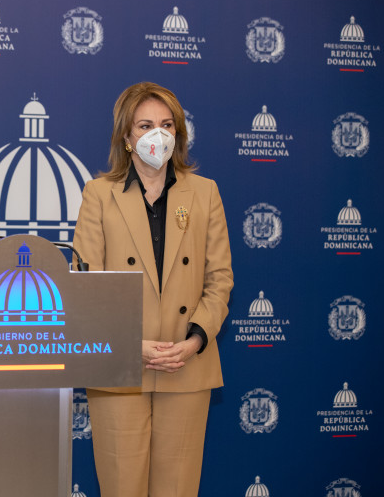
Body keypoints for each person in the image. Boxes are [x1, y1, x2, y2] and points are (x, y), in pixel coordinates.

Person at [73, 82, 233, 497]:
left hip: (186, 363)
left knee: (177, 488)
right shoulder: (98, 194)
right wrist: (130, 344)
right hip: (119, 365)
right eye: (145, 125)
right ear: (126, 137)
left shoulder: (205, 192)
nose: (157, 134)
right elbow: (86, 287)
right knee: (121, 487)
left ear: (179, 133)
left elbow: (219, 279)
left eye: (167, 124)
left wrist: (194, 341)